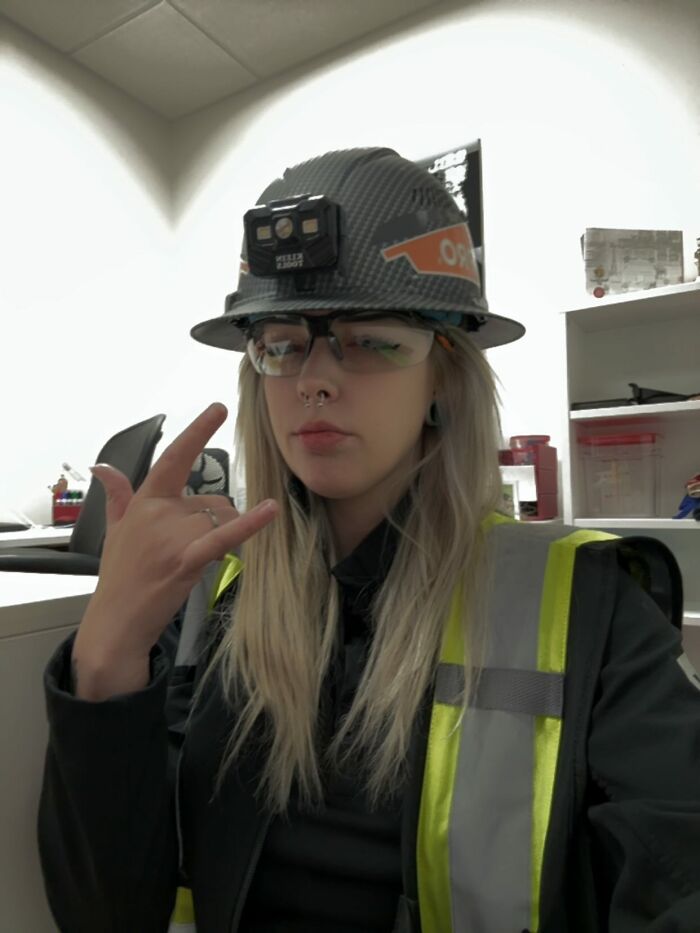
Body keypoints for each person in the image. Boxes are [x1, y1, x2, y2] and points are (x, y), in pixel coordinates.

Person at [38, 148, 700, 933]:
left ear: (443, 378)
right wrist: (107, 654)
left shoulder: (589, 605)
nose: (313, 379)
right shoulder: (206, 599)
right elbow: (104, 912)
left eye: (373, 340)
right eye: (282, 342)